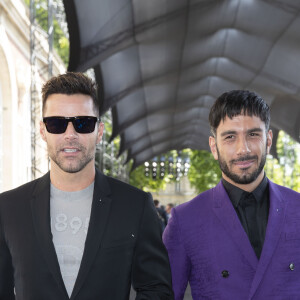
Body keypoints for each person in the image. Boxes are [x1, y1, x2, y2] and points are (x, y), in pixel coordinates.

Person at [0, 72, 174, 300]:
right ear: (43, 131)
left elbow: (156, 289)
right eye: (56, 123)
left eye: (83, 123)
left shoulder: (135, 205)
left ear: (99, 131)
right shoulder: (9, 207)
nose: (70, 134)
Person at [163, 90, 300, 299]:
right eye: (229, 137)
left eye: (253, 134)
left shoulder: (297, 208)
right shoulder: (185, 220)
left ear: (269, 140)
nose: (242, 149)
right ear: (214, 147)